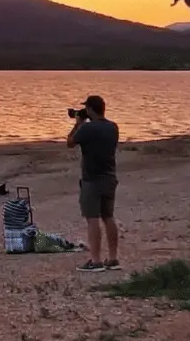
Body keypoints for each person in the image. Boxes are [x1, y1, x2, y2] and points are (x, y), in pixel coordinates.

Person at [67, 94, 121, 272]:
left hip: (92, 179)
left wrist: (78, 123)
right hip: (109, 177)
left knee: (92, 219)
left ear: (90, 109)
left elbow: (70, 142)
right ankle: (113, 258)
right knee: (108, 217)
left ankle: (96, 261)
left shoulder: (87, 128)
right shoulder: (113, 127)